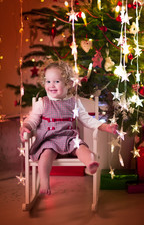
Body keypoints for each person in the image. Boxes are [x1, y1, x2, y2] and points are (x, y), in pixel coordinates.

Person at [20, 61, 117, 195]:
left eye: (56, 82)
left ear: (69, 83)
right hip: (49, 139)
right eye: (48, 81)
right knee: (46, 155)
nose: (51, 85)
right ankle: (44, 182)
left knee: (81, 148)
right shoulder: (42, 103)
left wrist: (104, 126)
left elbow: (87, 120)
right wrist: (26, 126)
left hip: (70, 138)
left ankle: (90, 163)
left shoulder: (74, 102)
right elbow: (33, 119)